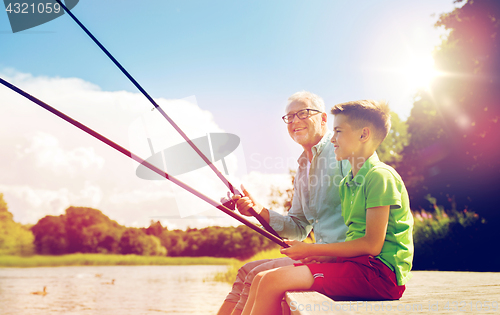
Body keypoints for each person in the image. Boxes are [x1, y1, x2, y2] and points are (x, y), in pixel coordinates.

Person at [240, 100, 414, 315]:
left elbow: (371, 246)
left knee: (272, 280)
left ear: (364, 135)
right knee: (260, 278)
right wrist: (324, 257)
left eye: (338, 132)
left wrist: (311, 249)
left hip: (380, 276)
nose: (332, 139)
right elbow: (353, 239)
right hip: (356, 267)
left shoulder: (379, 176)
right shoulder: (347, 183)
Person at [217, 91, 350, 315]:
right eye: (289, 117)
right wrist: (258, 210)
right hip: (319, 257)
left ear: (324, 119)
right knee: (245, 271)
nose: (295, 121)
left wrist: (321, 252)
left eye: (303, 113)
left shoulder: (342, 152)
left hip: (340, 261)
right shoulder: (303, 168)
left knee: (255, 276)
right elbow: (298, 228)